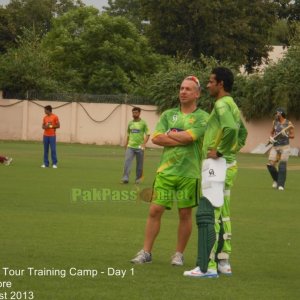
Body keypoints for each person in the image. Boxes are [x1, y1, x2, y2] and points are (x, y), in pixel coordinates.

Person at [131, 76, 209, 265]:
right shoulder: (168, 115)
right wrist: (179, 137)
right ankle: (146, 252)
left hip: (189, 173)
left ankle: (178, 254)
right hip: (166, 172)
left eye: (188, 89)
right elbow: (156, 139)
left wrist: (170, 135)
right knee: (154, 210)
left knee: (184, 214)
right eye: (181, 88)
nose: (183, 91)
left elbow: (192, 137)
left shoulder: (203, 117)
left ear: (197, 94)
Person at [184, 67, 248, 278]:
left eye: (211, 81)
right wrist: (230, 153)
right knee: (224, 214)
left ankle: (206, 266)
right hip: (228, 166)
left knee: (208, 215)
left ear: (220, 84)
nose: (208, 85)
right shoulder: (232, 104)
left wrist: (219, 152)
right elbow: (242, 133)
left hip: (216, 167)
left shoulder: (221, 104)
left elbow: (230, 129)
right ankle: (223, 261)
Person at [266, 108, 294, 191]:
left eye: (277, 113)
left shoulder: (288, 123)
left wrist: (286, 135)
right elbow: (271, 132)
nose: (276, 115)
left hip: (285, 147)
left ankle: (281, 185)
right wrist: (271, 138)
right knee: (270, 165)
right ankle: (276, 180)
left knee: (282, 165)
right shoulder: (274, 122)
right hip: (275, 146)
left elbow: (293, 135)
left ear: (281, 114)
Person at [121, 107, 150, 184]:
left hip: (140, 147)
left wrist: (144, 144)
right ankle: (125, 178)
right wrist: (126, 143)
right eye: (133, 112)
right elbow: (128, 134)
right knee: (127, 162)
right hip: (130, 147)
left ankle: (138, 179)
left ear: (139, 113)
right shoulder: (130, 123)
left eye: (136, 112)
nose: (134, 114)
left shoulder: (143, 123)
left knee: (139, 165)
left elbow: (148, 134)